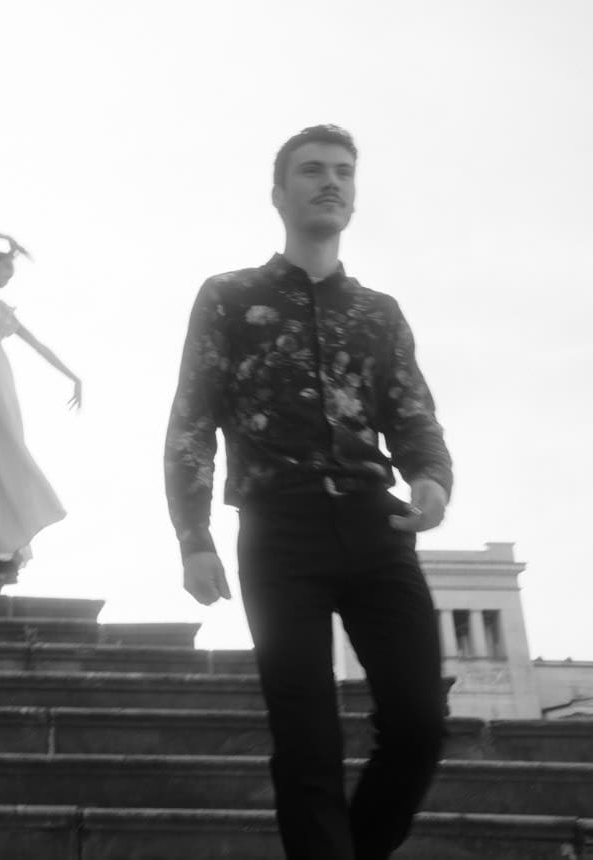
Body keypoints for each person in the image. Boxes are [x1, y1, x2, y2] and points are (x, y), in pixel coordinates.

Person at [163, 125, 452, 860]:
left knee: (420, 724)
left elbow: (411, 411)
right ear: (279, 193)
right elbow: (193, 420)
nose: (331, 182)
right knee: (306, 741)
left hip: (375, 526)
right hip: (277, 529)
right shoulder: (229, 298)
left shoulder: (378, 312)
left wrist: (431, 479)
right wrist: (193, 539)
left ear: (354, 196)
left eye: (344, 173)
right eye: (313, 170)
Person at [0, 224, 81, 580]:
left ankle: (9, 529)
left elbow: (38, 345)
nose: (8, 276)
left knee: (10, 449)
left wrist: (72, 376)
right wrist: (6, 239)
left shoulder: (2, 310)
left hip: (0, 379)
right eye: (6, 268)